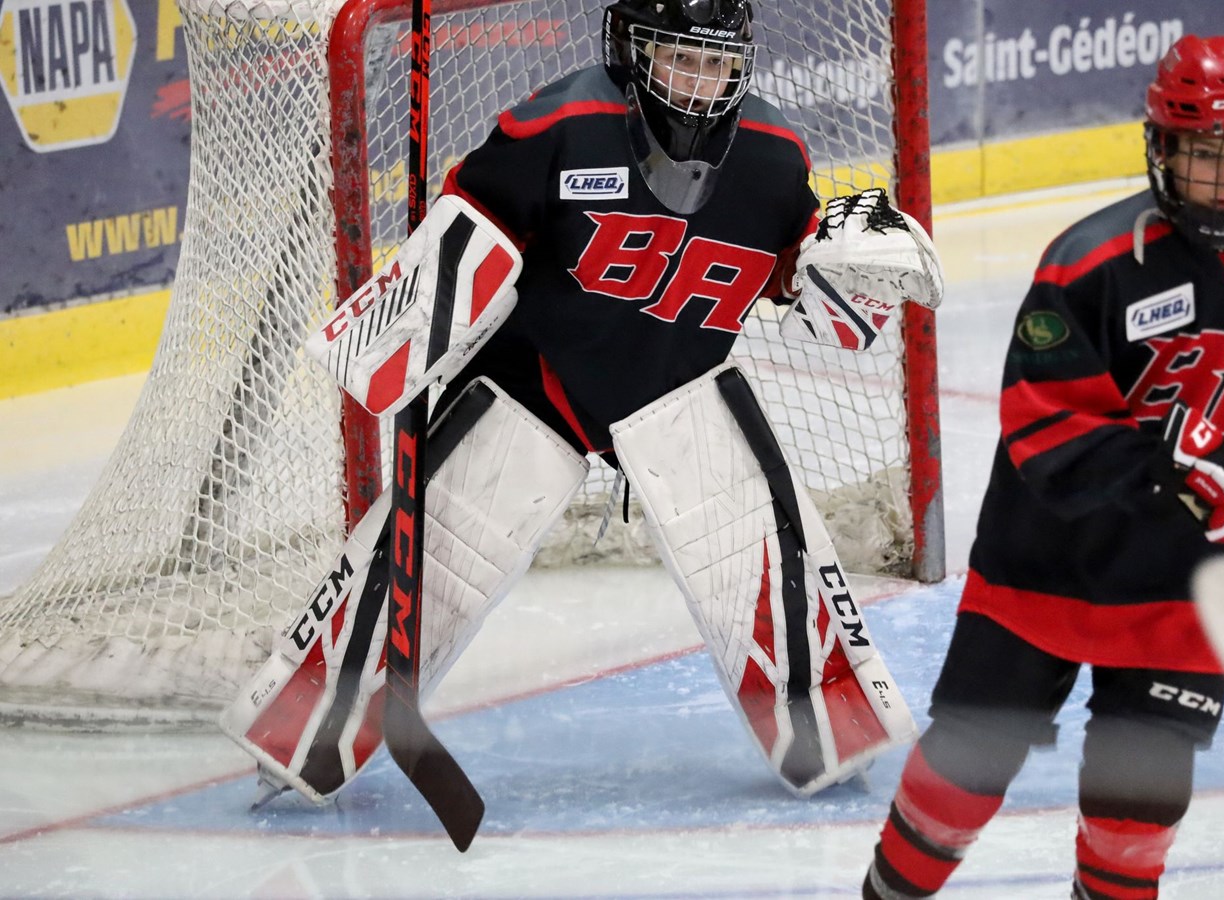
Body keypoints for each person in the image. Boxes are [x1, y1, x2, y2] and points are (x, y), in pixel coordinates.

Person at [223, 0, 942, 809]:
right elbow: (468, 232)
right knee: (426, 560)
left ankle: (831, 730)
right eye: (679, 59)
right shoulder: (555, 128)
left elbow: (795, 277)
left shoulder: (773, 159)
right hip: (538, 386)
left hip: (674, 391)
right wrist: (411, 321)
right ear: (629, 52)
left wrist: (837, 264)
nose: (701, 84)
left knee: (772, 562)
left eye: (717, 65)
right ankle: (301, 731)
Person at [862, 33, 1224, 900]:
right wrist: (1178, 468)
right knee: (957, 783)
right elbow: (1047, 437)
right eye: (1204, 154)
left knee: (1137, 816)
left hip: (1189, 590)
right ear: (1161, 149)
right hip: (1042, 565)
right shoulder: (1085, 264)